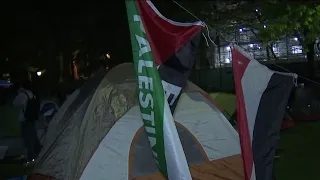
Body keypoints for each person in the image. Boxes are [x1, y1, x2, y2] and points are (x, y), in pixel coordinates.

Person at [13, 75, 41, 164]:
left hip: (25, 120)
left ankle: (30, 158)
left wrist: (18, 93)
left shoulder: (22, 95)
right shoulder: (32, 94)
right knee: (33, 137)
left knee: (28, 139)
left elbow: (15, 104)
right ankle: (38, 154)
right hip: (32, 118)